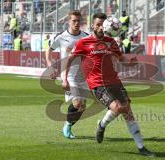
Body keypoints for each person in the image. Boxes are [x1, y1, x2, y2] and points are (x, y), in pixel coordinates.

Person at [63, 13, 155, 157]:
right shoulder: (83, 43)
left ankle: (141, 147)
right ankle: (101, 126)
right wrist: (64, 79)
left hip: (114, 81)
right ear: (92, 25)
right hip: (97, 84)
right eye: (98, 24)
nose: (100, 27)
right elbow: (69, 59)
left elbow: (120, 58)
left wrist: (129, 62)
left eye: (102, 24)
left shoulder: (111, 41)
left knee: (127, 111)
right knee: (117, 107)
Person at [45, 10, 89, 139]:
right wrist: (50, 66)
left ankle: (68, 124)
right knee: (77, 103)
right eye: (74, 21)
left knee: (81, 108)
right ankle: (67, 126)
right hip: (68, 75)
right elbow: (49, 50)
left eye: (78, 21)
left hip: (83, 76)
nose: (76, 23)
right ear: (69, 22)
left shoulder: (86, 37)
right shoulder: (61, 36)